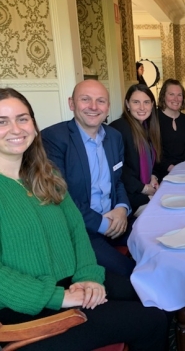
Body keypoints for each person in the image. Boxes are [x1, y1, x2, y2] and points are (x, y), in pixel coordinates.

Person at [0, 88, 169, 350]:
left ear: (33, 123)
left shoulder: (43, 174)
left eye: (22, 118)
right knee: (153, 319)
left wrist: (89, 276)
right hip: (26, 312)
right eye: (2, 121)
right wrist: (60, 297)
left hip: (71, 280)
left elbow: (76, 231)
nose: (15, 128)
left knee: (156, 296)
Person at [42, 80, 135, 277]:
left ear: (108, 107)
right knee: (128, 274)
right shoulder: (53, 138)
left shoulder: (114, 136)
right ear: (71, 103)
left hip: (114, 218)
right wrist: (103, 224)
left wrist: (121, 209)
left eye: (100, 101)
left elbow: (117, 181)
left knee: (156, 242)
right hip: (80, 230)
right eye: (85, 99)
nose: (93, 107)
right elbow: (61, 197)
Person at [110, 84, 162, 216]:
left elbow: (148, 161)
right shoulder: (119, 128)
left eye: (146, 102)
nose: (142, 107)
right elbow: (118, 170)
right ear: (127, 104)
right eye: (136, 102)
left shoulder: (146, 126)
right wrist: (144, 189)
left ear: (152, 104)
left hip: (141, 189)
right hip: (126, 195)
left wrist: (152, 176)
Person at [157, 78, 185, 177]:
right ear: (163, 96)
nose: (176, 99)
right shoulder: (154, 119)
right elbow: (155, 153)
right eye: (171, 94)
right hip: (162, 172)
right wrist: (173, 169)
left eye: (179, 95)